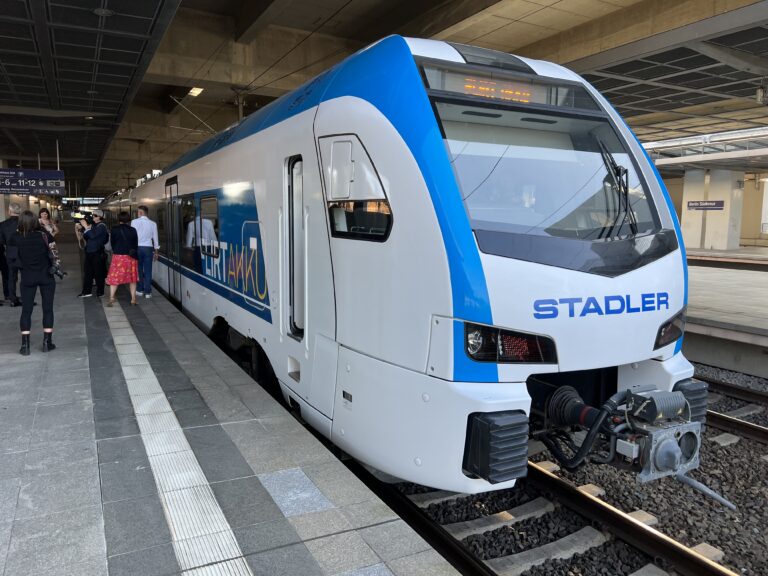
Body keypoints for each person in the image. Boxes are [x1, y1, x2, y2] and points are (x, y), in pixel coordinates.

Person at [8, 210, 56, 355]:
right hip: (46, 276)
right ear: (36, 221)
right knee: (47, 309)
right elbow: (54, 255)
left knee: (26, 311)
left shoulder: (15, 237)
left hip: (27, 277)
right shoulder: (45, 235)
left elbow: (11, 259)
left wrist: (24, 266)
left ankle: (25, 346)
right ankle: (47, 343)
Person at [106, 211, 139, 306]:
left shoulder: (114, 229)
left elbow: (112, 243)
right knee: (132, 279)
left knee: (114, 277)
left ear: (119, 219)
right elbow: (135, 244)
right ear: (128, 219)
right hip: (130, 257)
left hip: (118, 257)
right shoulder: (133, 230)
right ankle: (133, 299)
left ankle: (111, 298)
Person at [78, 210, 109, 298]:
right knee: (88, 272)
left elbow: (92, 236)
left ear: (100, 217)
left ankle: (100, 291)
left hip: (97, 252)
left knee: (98, 273)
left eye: (95, 215)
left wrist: (86, 227)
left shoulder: (102, 226)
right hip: (90, 252)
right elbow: (87, 236)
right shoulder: (94, 226)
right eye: (93, 215)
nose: (93, 217)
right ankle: (87, 291)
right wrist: (82, 229)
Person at [131, 205, 159, 298]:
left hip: (137, 248)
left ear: (141, 213)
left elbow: (133, 237)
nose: (137, 214)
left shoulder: (134, 222)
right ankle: (148, 292)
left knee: (138, 270)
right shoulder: (153, 223)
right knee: (148, 271)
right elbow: (155, 239)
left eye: (138, 212)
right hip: (148, 249)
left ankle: (140, 290)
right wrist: (156, 252)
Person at [0, 202, 22, 306]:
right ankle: (26, 298)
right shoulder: (25, 223)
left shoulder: (2, 225)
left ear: (9, 211)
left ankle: (13, 299)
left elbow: (2, 241)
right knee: (26, 276)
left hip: (10, 253)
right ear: (20, 211)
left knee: (11, 277)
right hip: (24, 253)